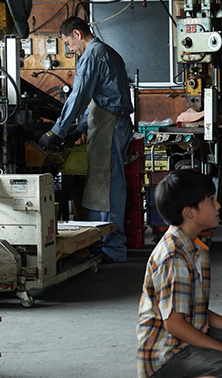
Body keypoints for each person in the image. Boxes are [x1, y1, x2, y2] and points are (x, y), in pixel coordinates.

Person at [137, 170, 222, 378]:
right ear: (189, 212)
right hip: (168, 355)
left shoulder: (192, 246)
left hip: (190, 335)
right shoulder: (174, 257)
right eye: (211, 200)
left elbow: (193, 309)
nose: (218, 206)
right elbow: (174, 324)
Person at [38, 16, 133, 263]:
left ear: (78, 34)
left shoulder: (93, 54)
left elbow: (79, 95)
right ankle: (101, 242)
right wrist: (77, 129)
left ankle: (112, 248)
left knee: (108, 187)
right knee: (104, 185)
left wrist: (56, 131)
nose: (70, 49)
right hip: (109, 123)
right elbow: (100, 98)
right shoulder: (106, 52)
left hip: (110, 125)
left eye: (69, 44)